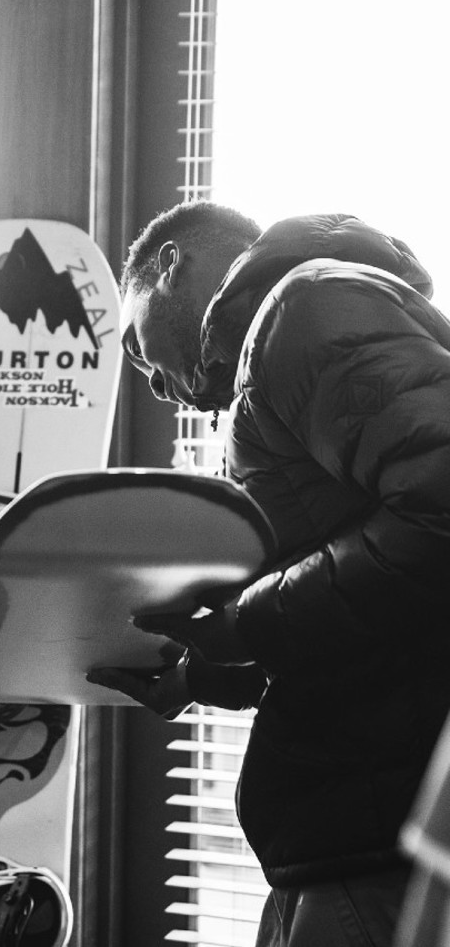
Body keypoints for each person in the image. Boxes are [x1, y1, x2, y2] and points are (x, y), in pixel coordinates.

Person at [88, 201, 450, 946]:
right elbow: (357, 607)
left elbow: (439, 514)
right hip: (341, 834)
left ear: (170, 266)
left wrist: (246, 623)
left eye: (136, 345)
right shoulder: (281, 359)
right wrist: (200, 674)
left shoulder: (305, 311)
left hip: (372, 840)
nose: (153, 383)